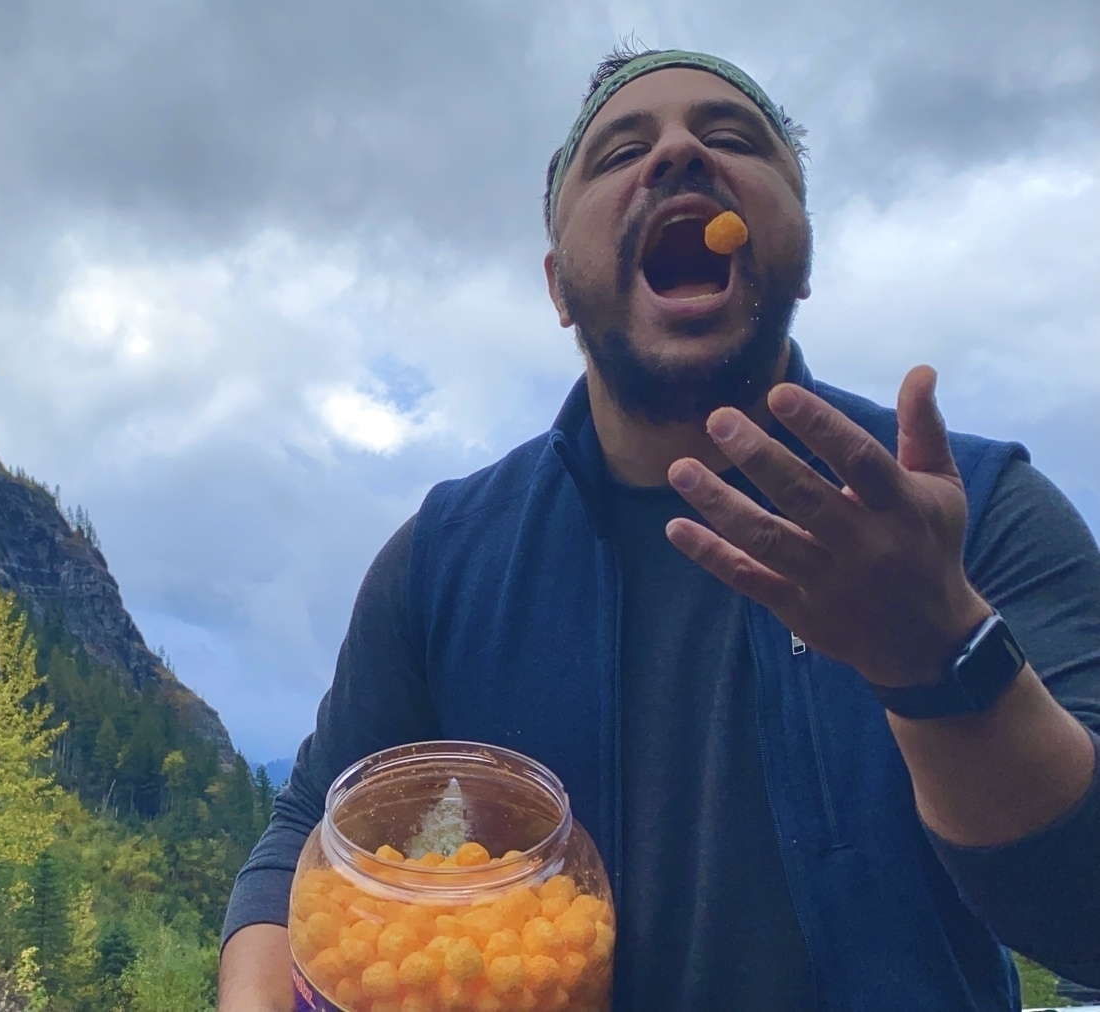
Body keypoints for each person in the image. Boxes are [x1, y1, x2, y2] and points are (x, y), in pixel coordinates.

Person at [217, 48, 1100, 1012]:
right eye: (618, 151)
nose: (678, 152)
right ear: (558, 288)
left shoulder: (972, 508)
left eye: (729, 137)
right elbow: (309, 833)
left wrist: (944, 661)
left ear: (797, 252)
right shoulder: (444, 558)